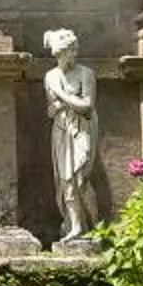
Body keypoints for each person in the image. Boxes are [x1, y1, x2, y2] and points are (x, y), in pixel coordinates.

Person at [43, 29, 99, 245]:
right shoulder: (50, 76)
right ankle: (75, 226)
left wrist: (61, 95)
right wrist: (59, 105)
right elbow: (51, 110)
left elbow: (87, 106)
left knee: (81, 178)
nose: (75, 54)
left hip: (83, 126)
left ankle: (95, 225)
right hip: (61, 128)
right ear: (60, 52)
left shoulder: (86, 73)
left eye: (76, 49)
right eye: (71, 50)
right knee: (66, 181)